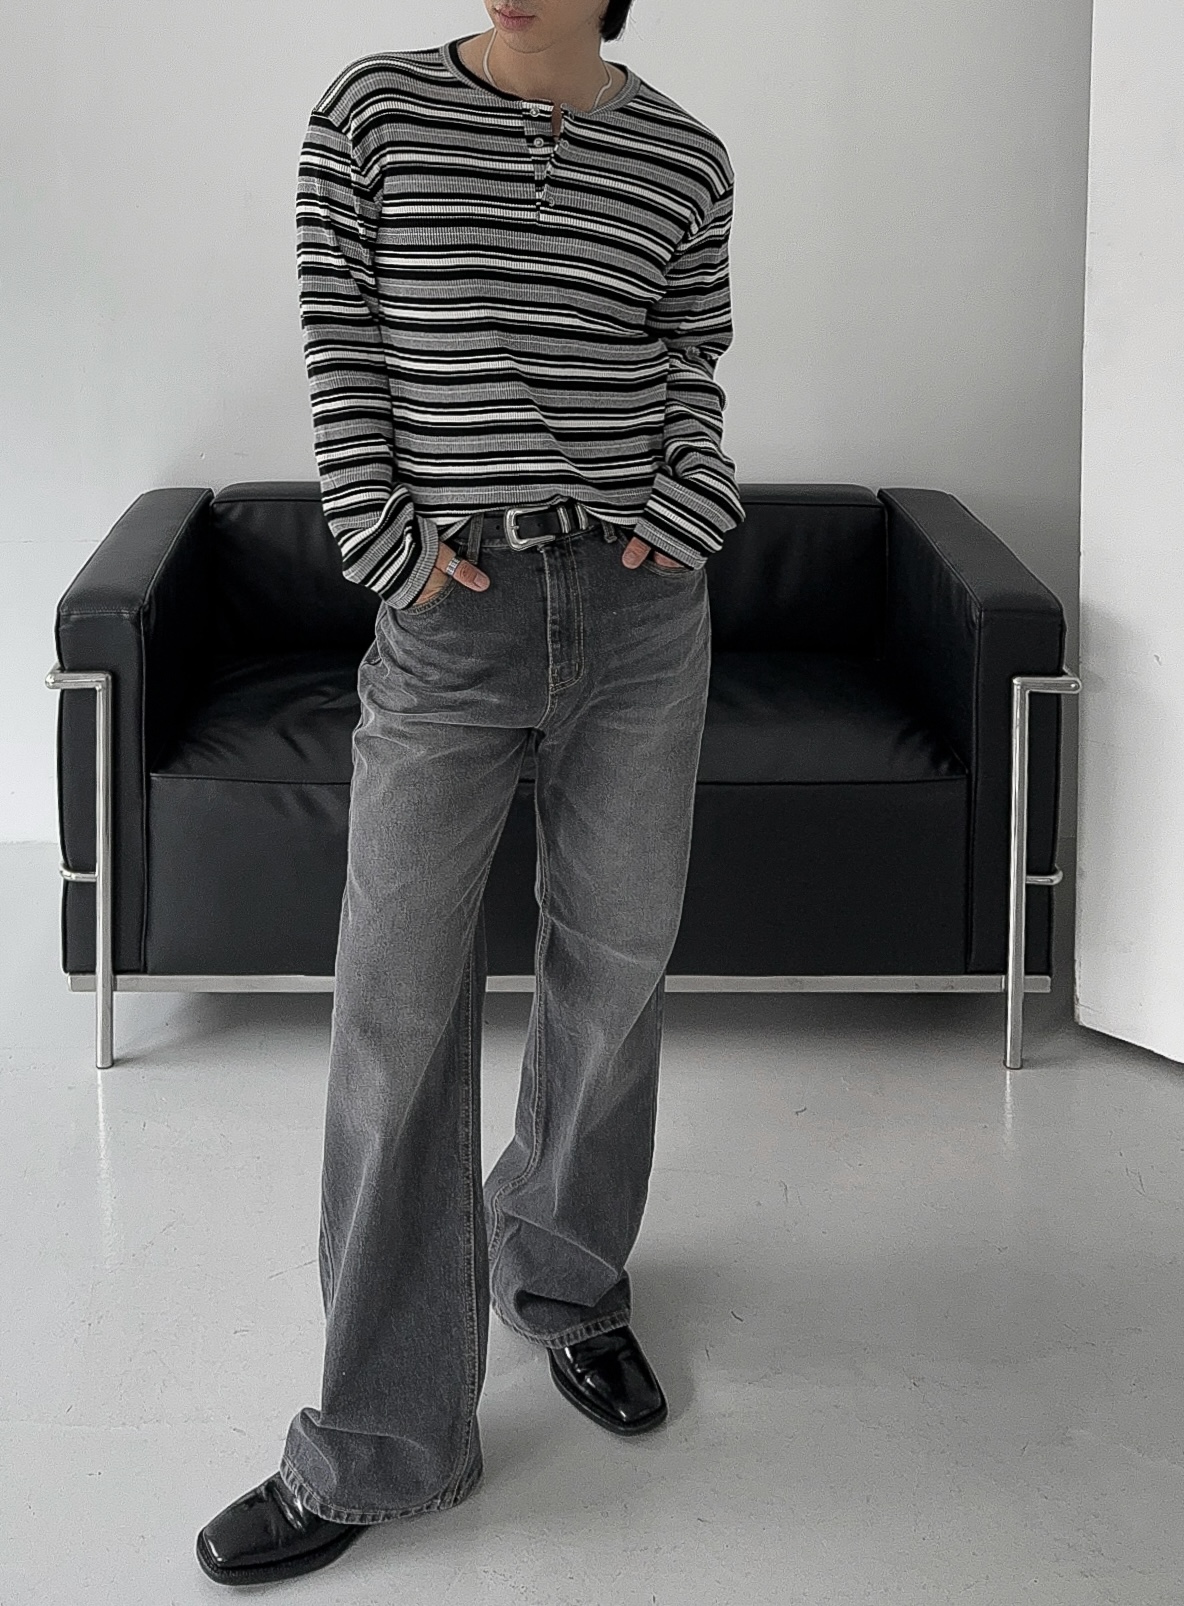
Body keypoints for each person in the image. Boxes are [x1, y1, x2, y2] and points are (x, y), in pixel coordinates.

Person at [196, 0, 742, 1585]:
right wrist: (380, 537)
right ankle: (382, 1438)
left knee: (616, 964)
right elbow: (343, 339)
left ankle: (562, 1274)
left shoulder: (684, 155)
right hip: (452, 614)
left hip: (644, 612)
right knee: (396, 1011)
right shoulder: (372, 114)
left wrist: (692, 491)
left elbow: (689, 358)